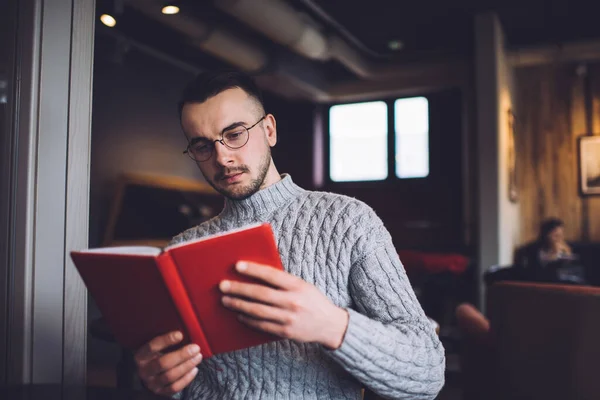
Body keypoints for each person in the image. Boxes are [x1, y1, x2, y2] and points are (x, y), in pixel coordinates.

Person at [133, 70, 445, 399]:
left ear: (269, 130)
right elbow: (180, 378)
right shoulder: (183, 248)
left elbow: (426, 373)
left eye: (235, 134)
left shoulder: (348, 221)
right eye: (202, 146)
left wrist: (332, 325)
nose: (222, 157)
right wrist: (160, 380)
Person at [513, 218, 583, 283]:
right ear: (546, 234)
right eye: (555, 235)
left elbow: (570, 268)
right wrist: (554, 253)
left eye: (561, 235)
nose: (559, 238)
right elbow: (536, 270)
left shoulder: (564, 247)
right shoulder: (534, 249)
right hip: (543, 281)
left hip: (562, 280)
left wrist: (567, 253)